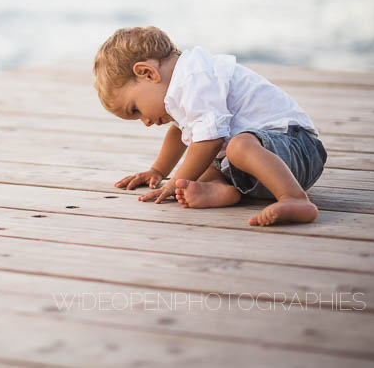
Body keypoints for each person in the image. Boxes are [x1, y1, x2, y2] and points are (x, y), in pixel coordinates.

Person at [93, 26, 327, 226]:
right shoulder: (182, 93)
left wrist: (174, 182)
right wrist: (158, 171)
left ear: (147, 73)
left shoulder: (194, 76)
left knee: (235, 146)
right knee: (208, 162)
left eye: (136, 109)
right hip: (263, 166)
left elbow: (210, 140)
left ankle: (294, 198)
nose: (145, 122)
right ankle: (221, 190)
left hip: (298, 149)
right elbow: (179, 133)